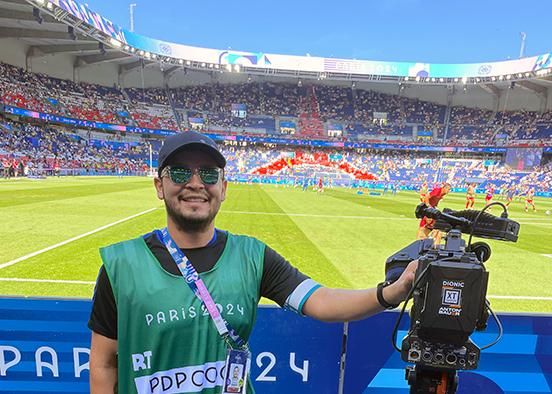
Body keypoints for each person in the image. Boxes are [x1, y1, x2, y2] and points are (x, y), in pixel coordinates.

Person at [88, 131, 417, 394]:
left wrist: (389, 293)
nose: (195, 183)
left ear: (223, 187)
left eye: (208, 173)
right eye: (179, 172)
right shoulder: (121, 265)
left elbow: (323, 300)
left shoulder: (253, 256)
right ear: (160, 186)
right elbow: (103, 364)